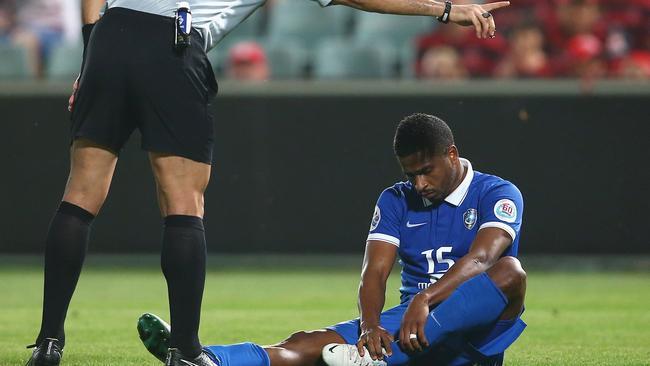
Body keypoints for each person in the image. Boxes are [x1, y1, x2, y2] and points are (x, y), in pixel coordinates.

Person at [25, 0, 510, 363]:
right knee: (182, 201)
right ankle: (187, 350)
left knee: (80, 194)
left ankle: (49, 340)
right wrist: (445, 8)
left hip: (109, 36)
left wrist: (92, 52)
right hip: (173, 40)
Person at [137, 113, 527, 366]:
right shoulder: (395, 199)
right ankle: (204, 361)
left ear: (452, 154)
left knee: (511, 271)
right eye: (411, 175)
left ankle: (374, 359)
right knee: (305, 343)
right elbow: (373, 273)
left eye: (426, 171)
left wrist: (424, 299)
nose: (419, 184)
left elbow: (482, 260)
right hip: (402, 330)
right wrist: (369, 327)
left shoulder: (497, 193)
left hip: (470, 339)